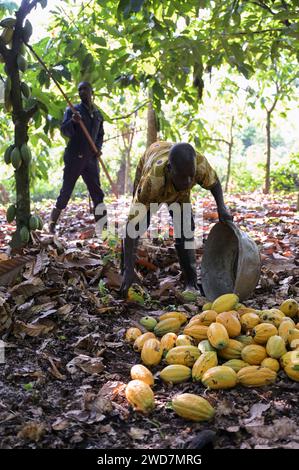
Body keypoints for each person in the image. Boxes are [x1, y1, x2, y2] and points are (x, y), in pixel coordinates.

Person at [120, 141, 233, 297]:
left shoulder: (198, 164)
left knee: (186, 231)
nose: (188, 182)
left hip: (179, 195)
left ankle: (191, 282)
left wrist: (221, 207)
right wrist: (128, 270)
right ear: (170, 169)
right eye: (182, 177)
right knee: (139, 225)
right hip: (152, 161)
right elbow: (131, 225)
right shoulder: (152, 182)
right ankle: (126, 272)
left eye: (190, 177)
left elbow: (214, 183)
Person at [49, 82, 106, 234]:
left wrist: (98, 149)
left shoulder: (98, 114)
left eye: (85, 89)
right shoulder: (73, 111)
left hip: (91, 159)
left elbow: (100, 134)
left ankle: (104, 229)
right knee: (66, 191)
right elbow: (65, 131)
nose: (82, 91)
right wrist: (73, 122)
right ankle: (51, 225)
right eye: (79, 89)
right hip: (75, 156)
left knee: (97, 193)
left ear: (91, 92)